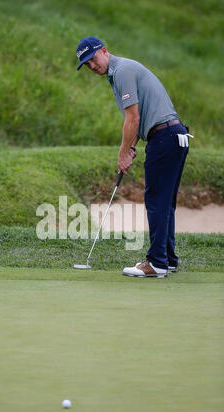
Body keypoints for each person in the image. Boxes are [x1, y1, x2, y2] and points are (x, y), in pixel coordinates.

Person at [76, 36, 192, 278]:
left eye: (93, 59)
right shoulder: (120, 72)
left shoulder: (122, 71)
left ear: (104, 51)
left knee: (156, 200)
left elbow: (133, 118)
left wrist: (122, 153)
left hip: (165, 137)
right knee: (165, 202)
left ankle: (157, 262)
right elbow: (141, 120)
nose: (92, 66)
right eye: (87, 64)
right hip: (173, 135)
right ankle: (168, 260)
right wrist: (130, 148)